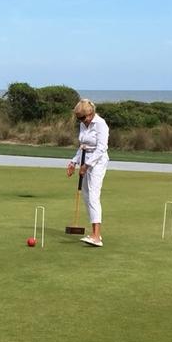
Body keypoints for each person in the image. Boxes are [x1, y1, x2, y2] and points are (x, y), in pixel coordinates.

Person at [66, 99, 109, 247]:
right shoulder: (82, 124)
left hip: (98, 161)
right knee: (86, 195)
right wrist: (74, 162)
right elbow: (82, 146)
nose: (81, 121)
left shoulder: (101, 124)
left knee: (93, 195)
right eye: (79, 118)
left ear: (91, 113)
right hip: (85, 158)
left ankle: (96, 236)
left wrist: (88, 165)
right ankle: (95, 233)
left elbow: (102, 148)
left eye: (83, 118)